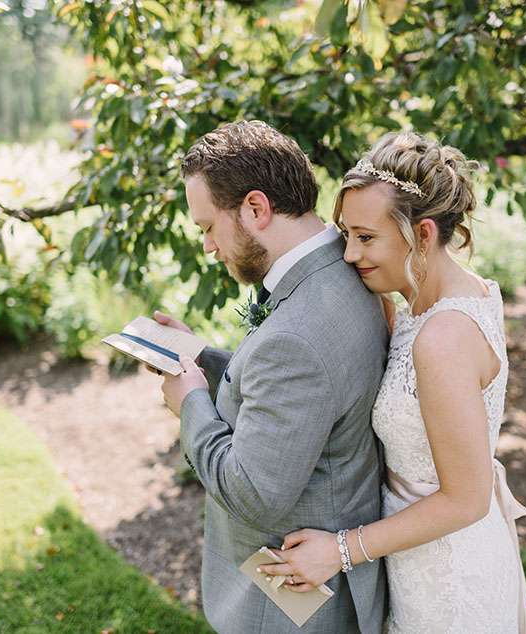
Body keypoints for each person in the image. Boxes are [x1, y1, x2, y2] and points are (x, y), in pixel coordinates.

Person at [258, 131, 526, 633]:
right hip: (415, 559)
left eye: (366, 238)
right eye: (346, 234)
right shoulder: (440, 297)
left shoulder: (444, 339)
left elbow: (466, 499)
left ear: (423, 235)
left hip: (448, 584)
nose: (349, 254)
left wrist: (339, 553)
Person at [155, 120, 389, 633]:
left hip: (288, 601)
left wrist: (190, 402)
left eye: (208, 227)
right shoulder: (340, 270)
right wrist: (202, 359)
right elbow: (297, 393)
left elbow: (253, 495)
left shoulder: (298, 334)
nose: (210, 247)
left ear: (255, 209)